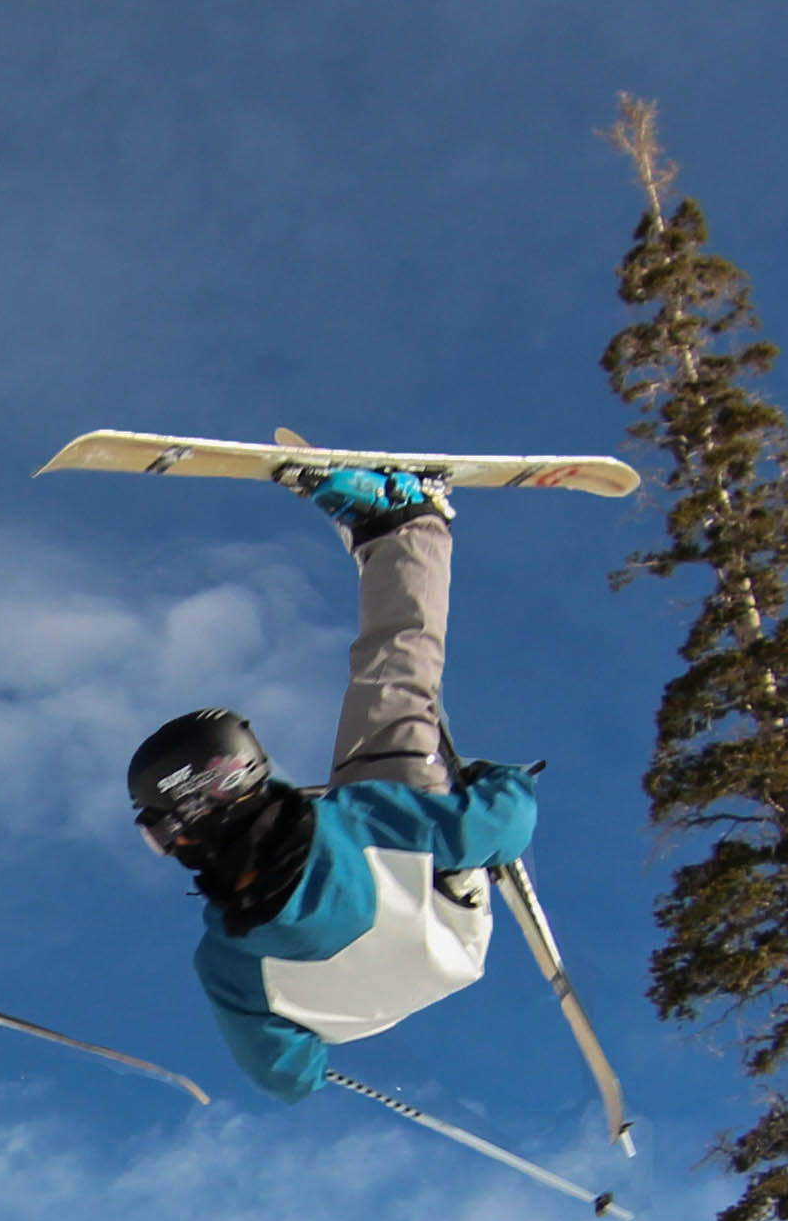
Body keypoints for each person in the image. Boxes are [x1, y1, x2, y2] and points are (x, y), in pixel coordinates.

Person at [125, 468, 544, 1105]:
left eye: (158, 833)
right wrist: (500, 781)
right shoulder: (369, 824)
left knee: (346, 802)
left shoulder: (226, 965)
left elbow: (280, 1076)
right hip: (437, 912)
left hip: (438, 968)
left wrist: (313, 1066)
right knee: (394, 685)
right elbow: (504, 828)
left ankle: (396, 539)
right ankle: (406, 523)